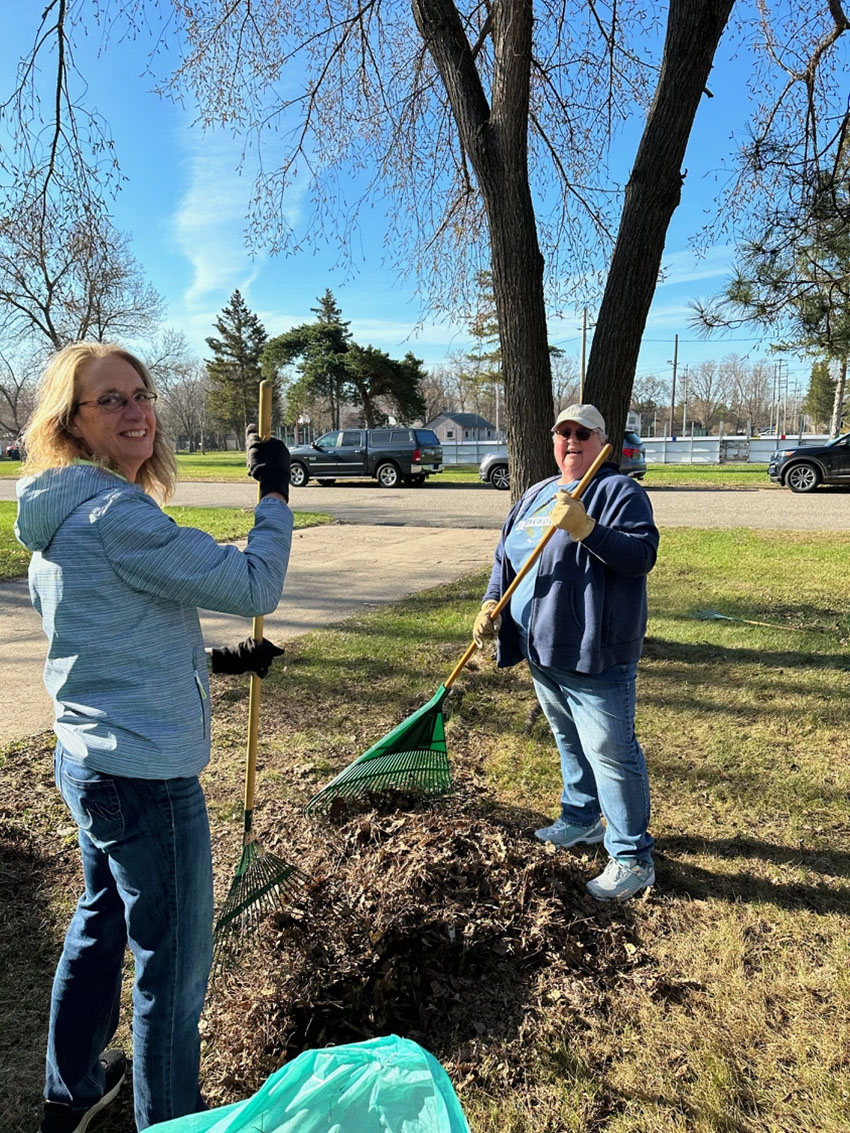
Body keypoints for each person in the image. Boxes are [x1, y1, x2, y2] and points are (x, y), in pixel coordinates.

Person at [14, 342, 293, 1132]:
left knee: (100, 923)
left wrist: (217, 661)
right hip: (145, 781)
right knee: (173, 971)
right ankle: (171, 1120)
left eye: (141, 393)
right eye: (112, 399)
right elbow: (256, 582)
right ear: (72, 421)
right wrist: (276, 492)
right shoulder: (116, 515)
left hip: (91, 762)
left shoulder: (58, 512)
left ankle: (69, 1094)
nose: (137, 411)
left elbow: (112, 634)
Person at [473, 404, 659, 902]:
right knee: (569, 740)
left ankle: (632, 858)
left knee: (612, 753)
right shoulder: (535, 493)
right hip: (541, 649)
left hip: (593, 654)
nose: (572, 441)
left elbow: (642, 556)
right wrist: (492, 601)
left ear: (601, 441)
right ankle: (581, 818)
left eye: (583, 433)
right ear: (553, 441)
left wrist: (587, 529)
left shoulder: (619, 491)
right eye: (564, 433)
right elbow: (505, 557)